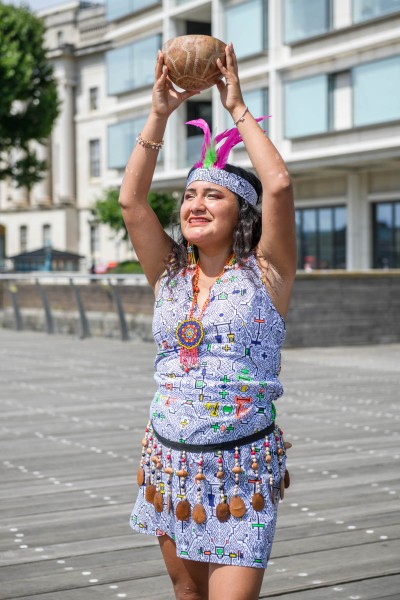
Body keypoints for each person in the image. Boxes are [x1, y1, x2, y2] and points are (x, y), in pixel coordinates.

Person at [120, 43, 296, 600]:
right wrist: (159, 112)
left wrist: (236, 105)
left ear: (239, 212)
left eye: (212, 195)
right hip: (170, 464)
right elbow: (132, 202)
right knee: (187, 595)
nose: (195, 203)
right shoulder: (168, 273)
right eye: (190, 194)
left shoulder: (267, 273)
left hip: (241, 469)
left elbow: (281, 186)